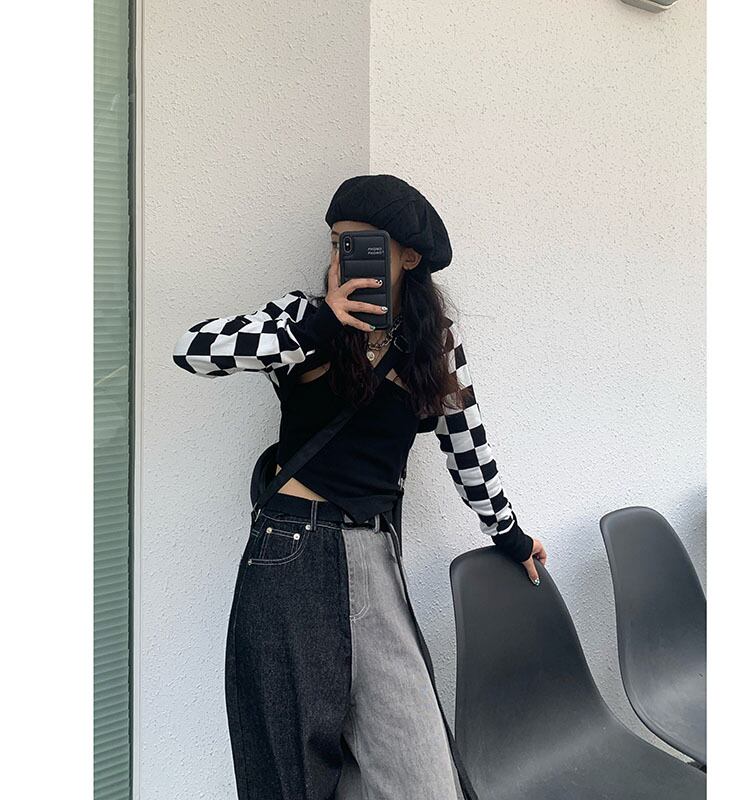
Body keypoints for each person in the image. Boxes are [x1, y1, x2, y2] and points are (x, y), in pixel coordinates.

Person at [172, 174, 548, 800]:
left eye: (361, 245)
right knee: (289, 780)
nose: (344, 259)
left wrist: (508, 533)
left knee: (424, 779)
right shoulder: (302, 317)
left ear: (408, 257)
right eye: (336, 244)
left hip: (376, 557)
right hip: (290, 555)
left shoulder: (434, 344)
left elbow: (467, 447)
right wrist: (316, 327)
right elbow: (193, 349)